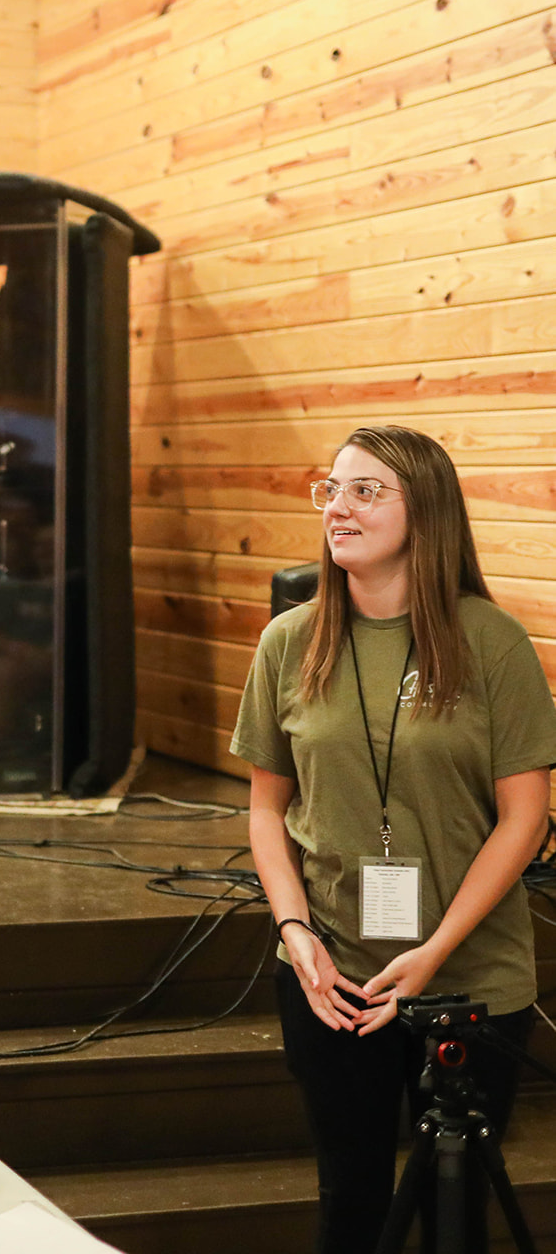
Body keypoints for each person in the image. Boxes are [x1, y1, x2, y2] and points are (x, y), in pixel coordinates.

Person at [230, 424, 556, 1254]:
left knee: (456, 1218)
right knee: (352, 1204)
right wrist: (294, 932)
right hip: (332, 978)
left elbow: (524, 817)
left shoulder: (491, 640)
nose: (337, 508)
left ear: (427, 511)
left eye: (365, 491)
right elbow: (266, 811)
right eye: (330, 490)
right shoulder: (287, 642)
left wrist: (436, 949)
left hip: (469, 976)